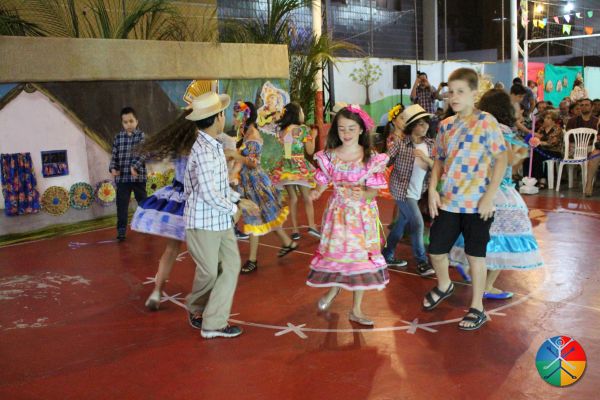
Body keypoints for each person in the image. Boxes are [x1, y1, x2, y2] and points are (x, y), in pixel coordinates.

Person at [425, 68, 508, 331]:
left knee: (475, 256)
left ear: (474, 93)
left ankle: (477, 307)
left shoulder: (486, 122)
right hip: (449, 202)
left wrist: (489, 196)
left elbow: (501, 159)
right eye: (451, 92)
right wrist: (432, 189)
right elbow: (439, 159)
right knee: (436, 250)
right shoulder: (446, 125)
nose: (454, 97)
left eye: (460, 91)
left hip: (477, 204)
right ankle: (444, 285)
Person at [450, 89, 543, 299]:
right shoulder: (503, 131)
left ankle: (472, 271)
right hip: (499, 190)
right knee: (504, 239)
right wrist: (522, 151)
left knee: (478, 236)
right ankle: (488, 285)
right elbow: (508, 161)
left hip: (477, 188)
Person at [183, 92, 259, 339]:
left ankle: (213, 322)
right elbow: (208, 193)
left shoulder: (214, 145)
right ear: (218, 117)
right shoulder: (204, 151)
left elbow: (219, 186)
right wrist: (234, 209)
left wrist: (237, 200)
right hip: (203, 222)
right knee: (209, 272)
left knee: (230, 265)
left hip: (219, 220)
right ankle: (197, 308)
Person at [308, 105, 389, 326]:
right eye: (342, 128)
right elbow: (323, 180)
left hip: (362, 216)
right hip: (338, 215)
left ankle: (356, 309)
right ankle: (334, 290)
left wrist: (364, 193)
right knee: (340, 256)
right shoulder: (330, 156)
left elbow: (374, 191)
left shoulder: (371, 158)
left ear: (361, 129)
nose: (346, 133)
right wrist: (317, 191)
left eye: (351, 128)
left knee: (359, 260)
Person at [130, 110, 197, 310]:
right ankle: (199, 296)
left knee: (172, 249)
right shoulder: (199, 145)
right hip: (194, 201)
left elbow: (150, 154)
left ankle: (156, 292)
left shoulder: (180, 143)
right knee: (203, 253)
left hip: (178, 197)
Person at [228, 101, 297, 273]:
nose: (234, 118)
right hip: (248, 182)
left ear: (244, 116)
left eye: (236, 114)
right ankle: (288, 242)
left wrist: (234, 155)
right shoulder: (245, 134)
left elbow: (253, 162)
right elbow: (242, 160)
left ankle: (252, 260)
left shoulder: (252, 136)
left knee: (253, 219)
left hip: (255, 183)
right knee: (266, 215)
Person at [382, 104, 435, 276]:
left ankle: (386, 255)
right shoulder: (400, 144)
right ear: (412, 126)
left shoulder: (430, 145)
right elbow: (385, 161)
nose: (425, 126)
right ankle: (422, 262)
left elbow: (437, 168)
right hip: (402, 190)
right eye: (420, 123)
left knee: (401, 224)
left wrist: (427, 159)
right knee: (417, 223)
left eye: (426, 122)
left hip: (418, 191)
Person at [271, 102, 320, 239]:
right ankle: (312, 226)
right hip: (299, 166)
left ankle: (294, 230)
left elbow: (286, 153)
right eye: (301, 111)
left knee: (292, 198)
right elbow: (310, 150)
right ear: (297, 114)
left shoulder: (282, 131)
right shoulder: (302, 129)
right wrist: (314, 136)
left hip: (286, 167)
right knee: (307, 197)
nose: (302, 114)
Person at [109, 107, 147, 241]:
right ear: (122, 123)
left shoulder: (141, 136)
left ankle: (146, 226)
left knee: (143, 202)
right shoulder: (118, 137)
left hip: (138, 177)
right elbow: (114, 155)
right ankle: (121, 231)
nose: (128, 124)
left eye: (131, 121)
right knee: (121, 205)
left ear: (137, 121)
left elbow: (143, 153)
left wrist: (134, 166)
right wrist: (113, 168)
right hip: (123, 178)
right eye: (125, 122)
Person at [526, 110, 564, 188]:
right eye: (545, 118)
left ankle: (541, 179)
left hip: (554, 151)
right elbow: (536, 138)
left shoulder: (557, 129)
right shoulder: (542, 128)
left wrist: (539, 142)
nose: (545, 120)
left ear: (553, 120)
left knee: (537, 155)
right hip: (542, 150)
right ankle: (530, 178)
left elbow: (552, 143)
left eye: (548, 118)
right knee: (529, 156)